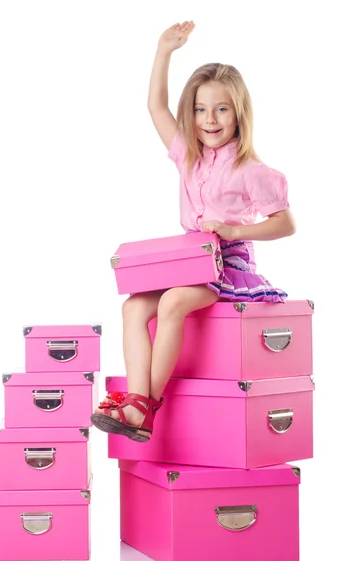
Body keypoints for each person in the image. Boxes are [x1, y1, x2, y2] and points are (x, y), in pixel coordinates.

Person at [91, 21, 296, 442]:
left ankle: (142, 406)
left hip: (227, 264)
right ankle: (135, 400)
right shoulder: (188, 155)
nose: (210, 119)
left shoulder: (252, 170)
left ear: (239, 112)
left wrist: (234, 227)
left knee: (172, 303)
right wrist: (164, 50)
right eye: (201, 109)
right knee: (132, 308)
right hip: (188, 260)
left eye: (221, 109)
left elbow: (286, 224)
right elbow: (155, 107)